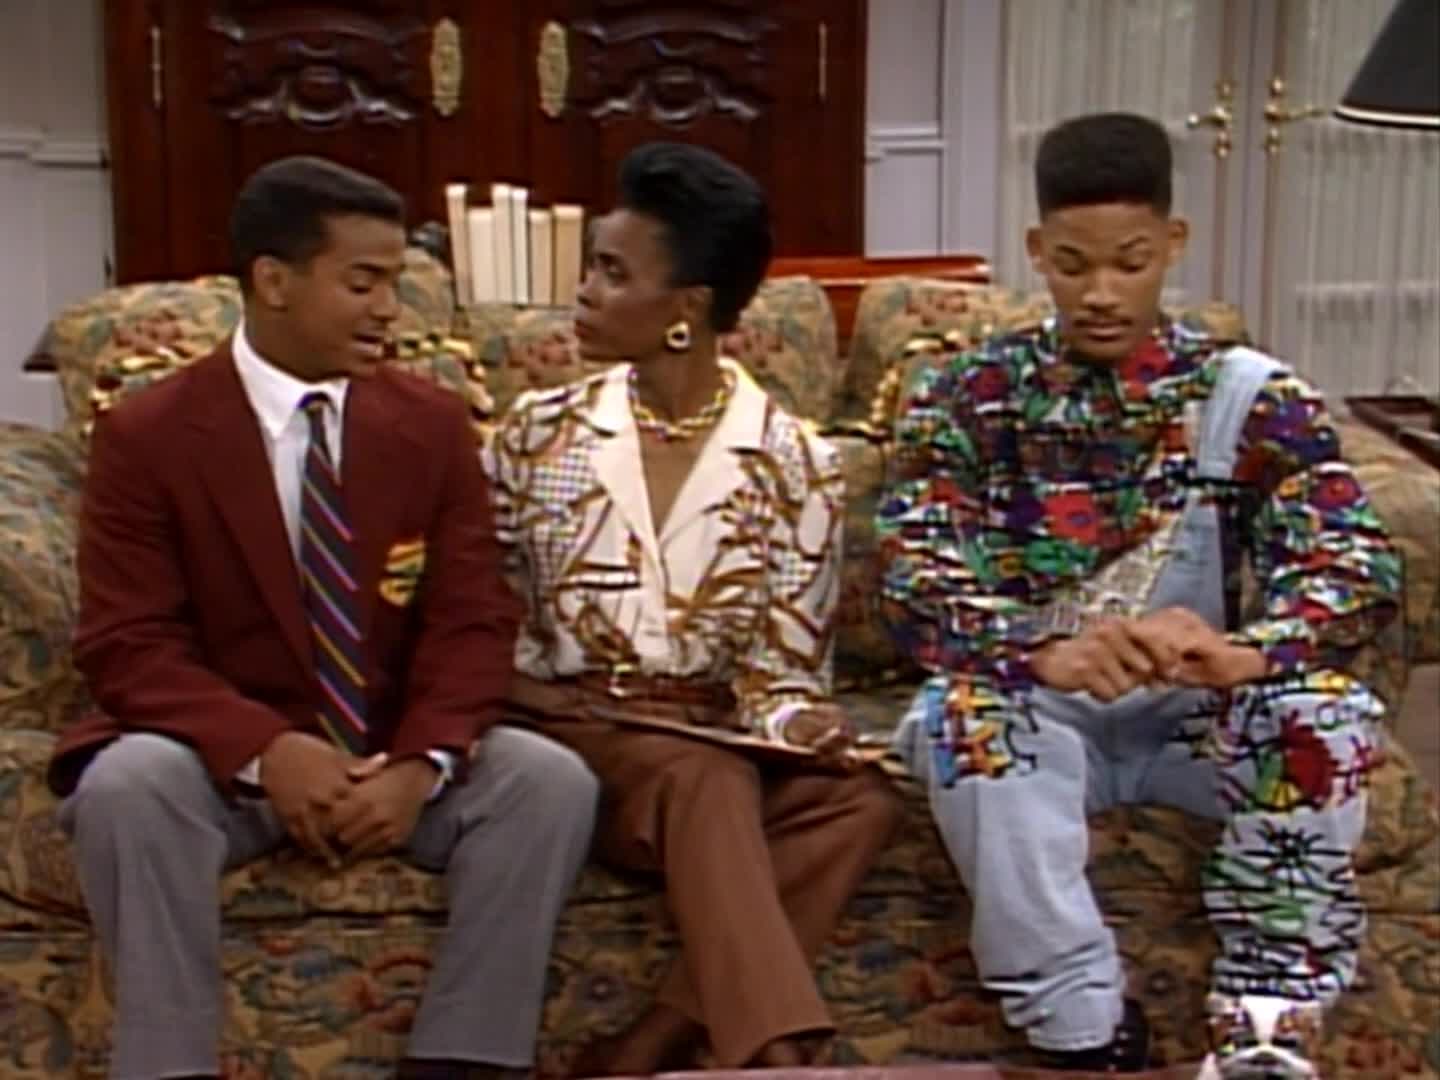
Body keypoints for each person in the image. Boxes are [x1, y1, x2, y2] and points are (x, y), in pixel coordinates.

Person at [48, 156, 598, 1080]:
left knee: (548, 783)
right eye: (363, 283)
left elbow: (472, 619)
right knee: (125, 786)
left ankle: (463, 1063)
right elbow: (128, 644)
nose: (390, 311)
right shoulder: (149, 436)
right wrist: (269, 751)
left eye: (396, 284)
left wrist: (422, 763)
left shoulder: (431, 426)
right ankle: (169, 1067)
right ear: (273, 281)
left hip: (389, 749)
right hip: (220, 762)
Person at [876, 113, 1400, 1075]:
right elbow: (913, 572)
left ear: (1173, 244)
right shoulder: (972, 394)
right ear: (1038, 251)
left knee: (1329, 718)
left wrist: (1248, 651)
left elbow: (1353, 563)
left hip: (1192, 718)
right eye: (1074, 265)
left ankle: (1264, 1031)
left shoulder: (1250, 397)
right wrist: (1038, 652)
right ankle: (1084, 1032)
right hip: (1042, 717)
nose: (1102, 294)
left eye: (1131, 262)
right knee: (961, 719)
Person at [483, 141, 902, 1072]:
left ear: (688, 310)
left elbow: (780, 672)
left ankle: (647, 1042)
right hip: (569, 731)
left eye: (613, 273)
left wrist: (804, 724)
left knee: (860, 802)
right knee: (703, 778)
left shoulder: (797, 463)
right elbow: (479, 613)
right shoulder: (536, 435)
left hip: (709, 739)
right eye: (593, 266)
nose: (584, 292)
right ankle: (778, 1056)